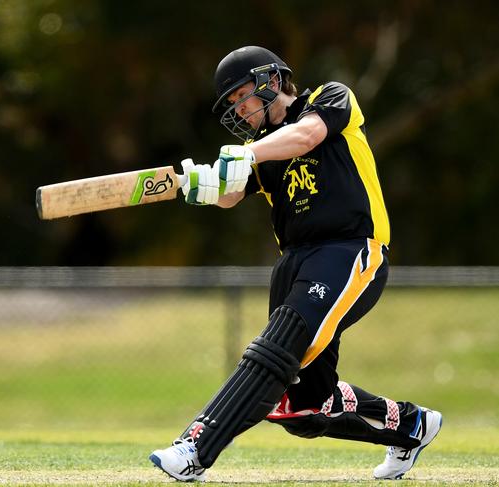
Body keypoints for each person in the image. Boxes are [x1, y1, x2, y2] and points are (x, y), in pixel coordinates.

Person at [149, 46, 442, 482]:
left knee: (277, 346)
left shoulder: (330, 97)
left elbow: (306, 136)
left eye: (242, 95)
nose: (239, 108)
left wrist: (248, 154)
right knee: (301, 408)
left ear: (271, 81)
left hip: (349, 250)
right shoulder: (258, 149)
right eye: (231, 103)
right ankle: (410, 425)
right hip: (294, 262)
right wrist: (202, 184)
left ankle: (195, 446)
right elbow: (231, 193)